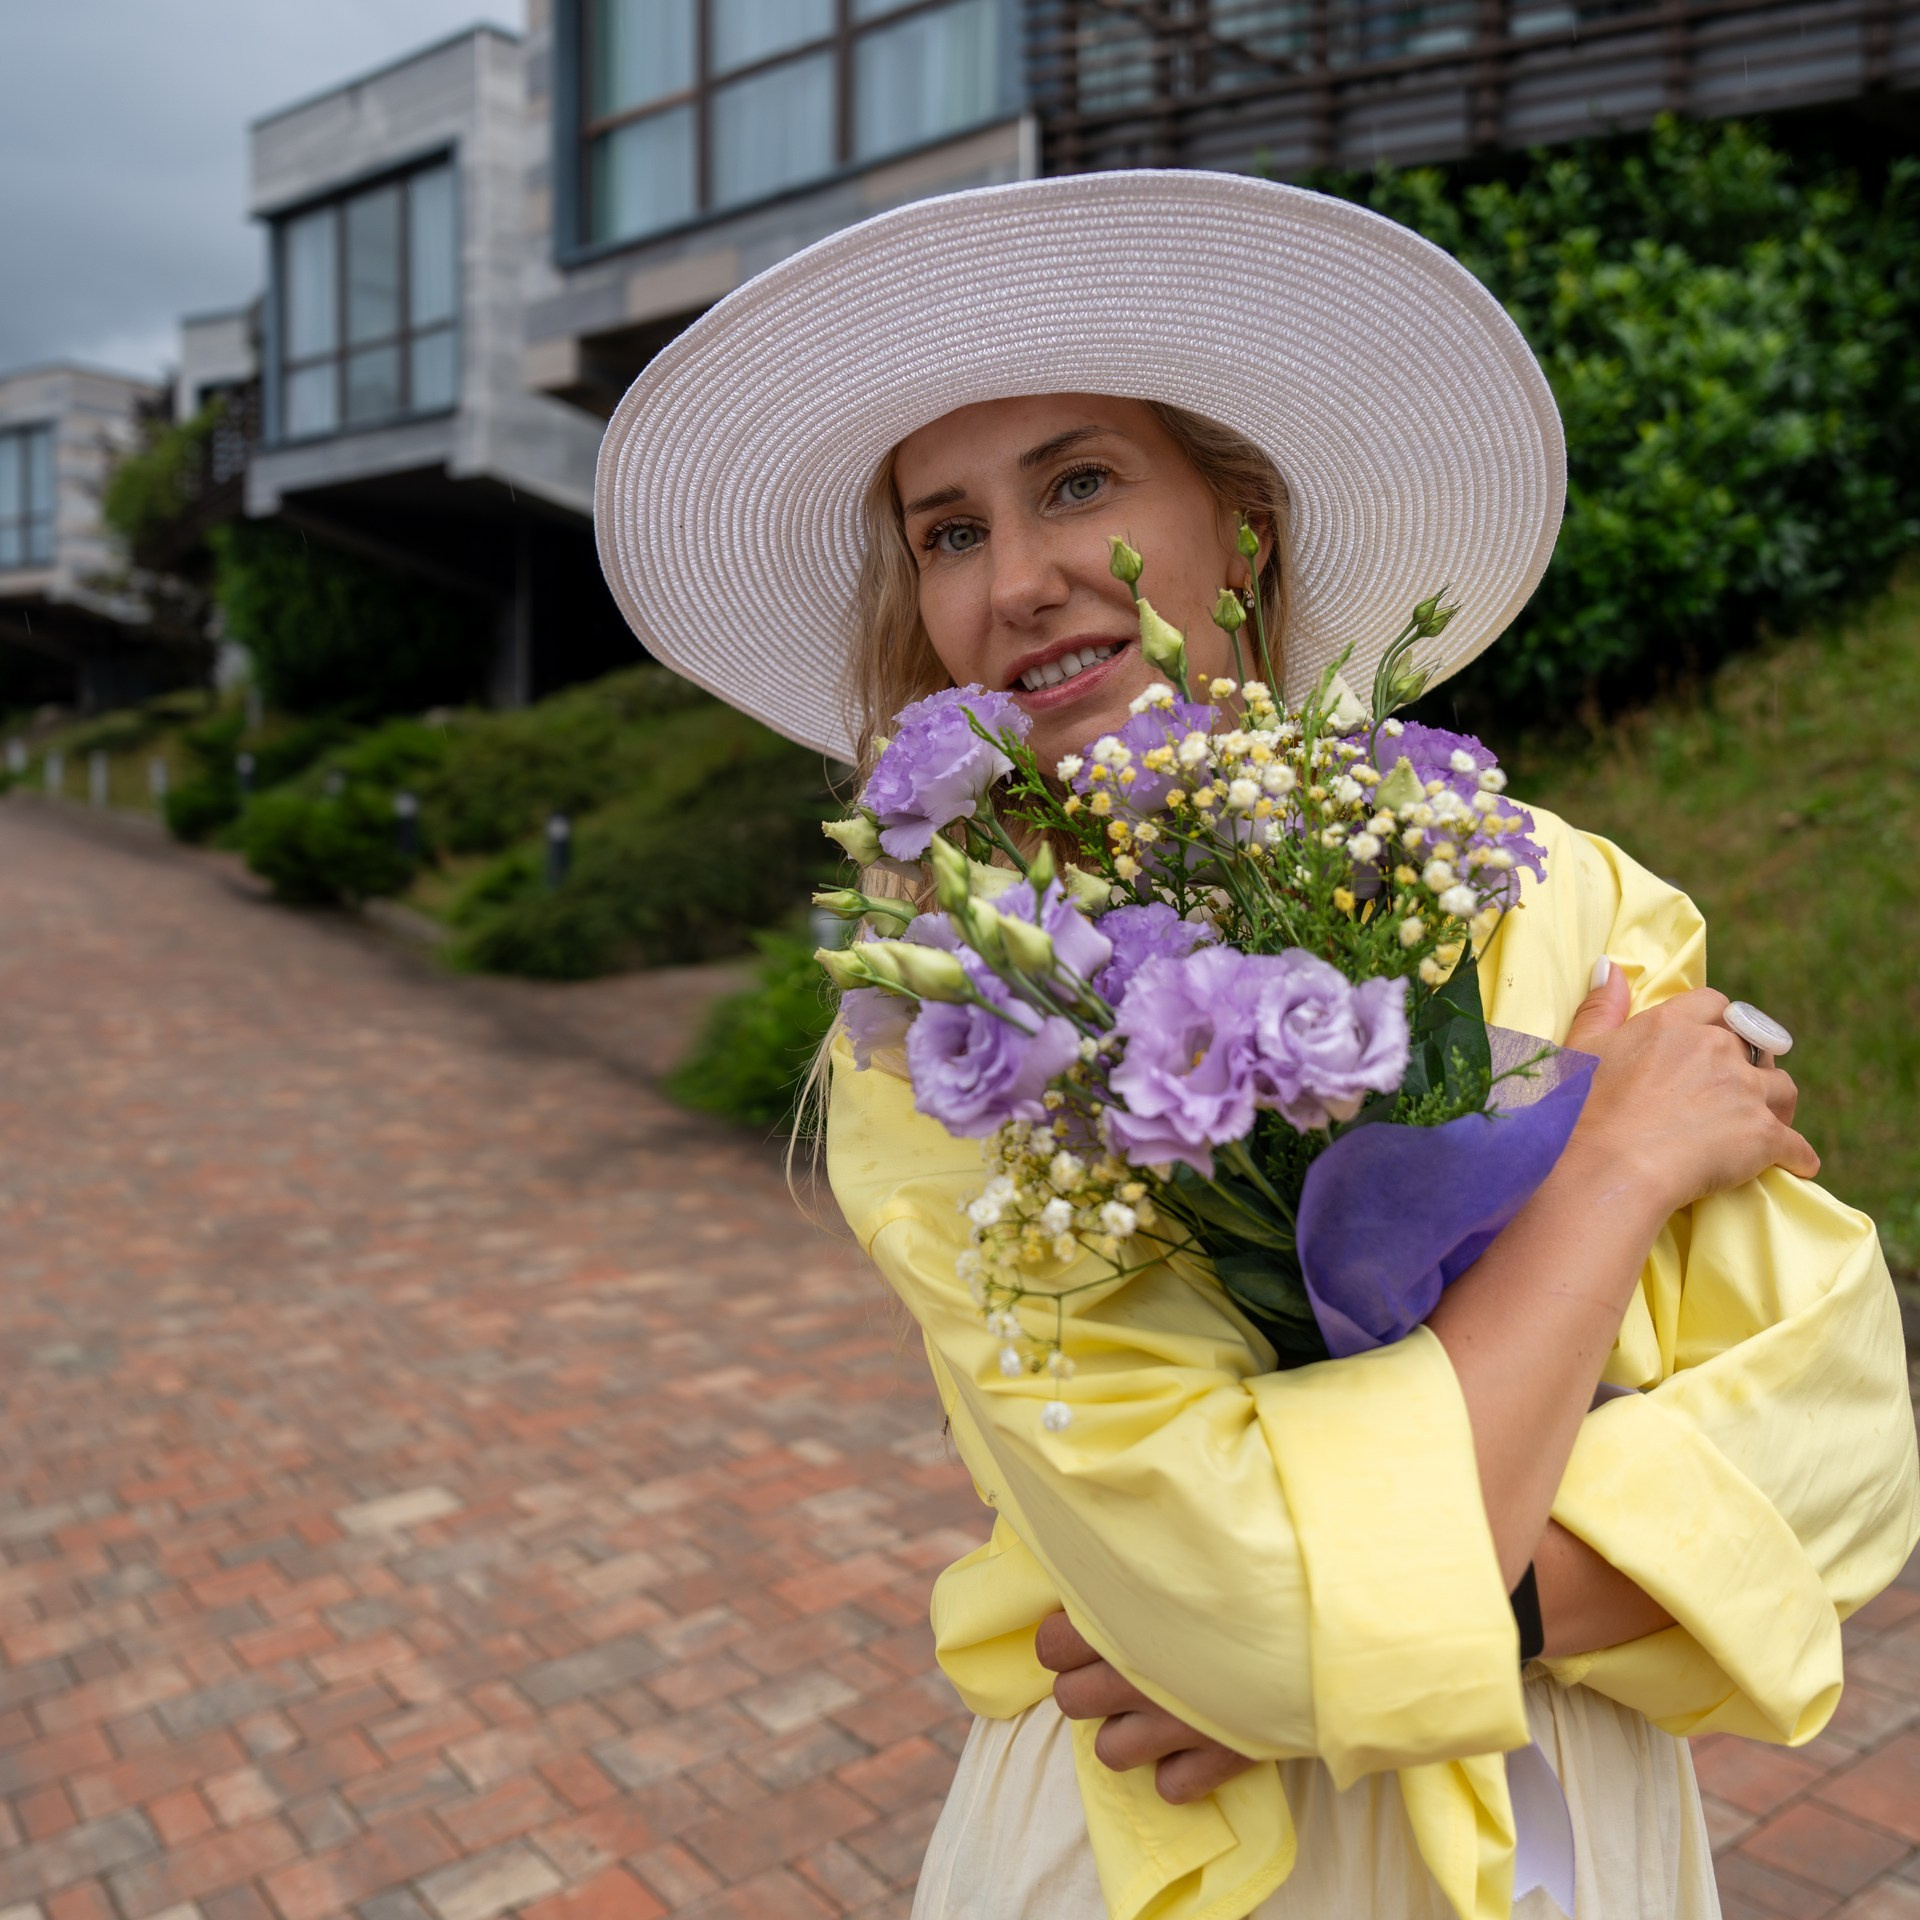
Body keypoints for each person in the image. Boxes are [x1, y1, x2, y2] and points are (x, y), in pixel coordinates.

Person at [594, 172, 1920, 1920]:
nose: (1022, 577)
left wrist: (1373, 1629)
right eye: (948, 530)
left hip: (1572, 1839)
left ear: (1242, 524)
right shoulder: (954, 1031)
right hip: (1180, 1855)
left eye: (1078, 482)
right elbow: (1223, 1585)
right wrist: (1616, 1165)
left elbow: (1842, 1437)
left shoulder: (1571, 899)